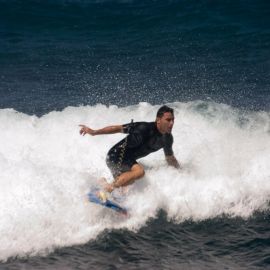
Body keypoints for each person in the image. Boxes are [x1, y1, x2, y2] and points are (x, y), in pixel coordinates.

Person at [79, 105, 180, 193]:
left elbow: (170, 158)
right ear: (158, 120)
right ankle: (108, 189)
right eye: (168, 120)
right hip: (115, 155)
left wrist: (180, 173)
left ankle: (102, 182)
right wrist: (94, 132)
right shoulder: (143, 128)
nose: (171, 123)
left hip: (127, 161)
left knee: (127, 188)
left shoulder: (167, 139)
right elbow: (118, 128)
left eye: (173, 120)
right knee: (140, 172)